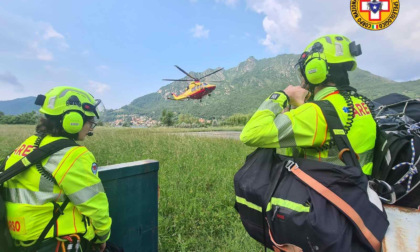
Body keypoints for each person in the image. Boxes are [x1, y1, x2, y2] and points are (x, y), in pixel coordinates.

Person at [240, 34, 376, 175]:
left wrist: (282, 95)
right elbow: (297, 147)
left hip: (326, 193)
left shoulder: (316, 113)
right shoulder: (362, 104)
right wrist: (297, 108)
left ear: (314, 70)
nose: (302, 79)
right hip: (362, 189)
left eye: (303, 72)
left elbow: (250, 134)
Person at [3, 86, 112, 251]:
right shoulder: (72, 155)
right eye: (90, 121)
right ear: (73, 120)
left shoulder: (27, 146)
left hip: (24, 241)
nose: (91, 127)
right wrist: (102, 236)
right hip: (56, 242)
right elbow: (95, 204)